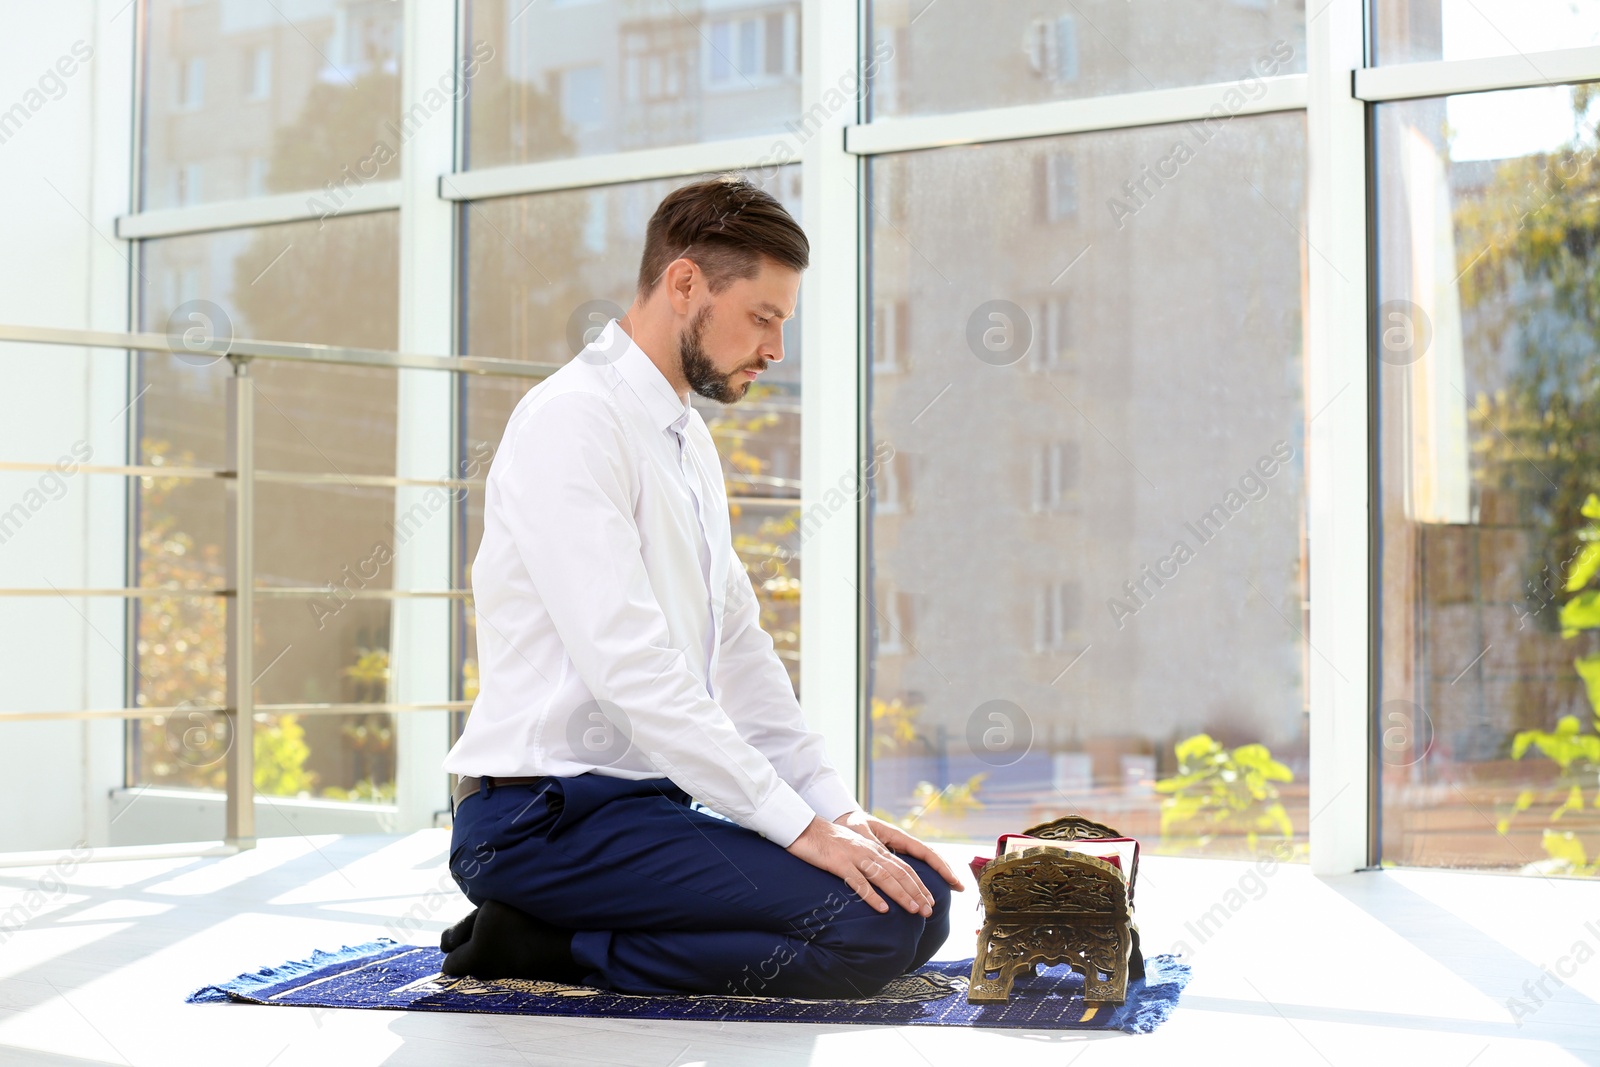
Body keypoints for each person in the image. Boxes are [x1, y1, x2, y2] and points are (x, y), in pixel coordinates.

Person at [438, 174, 961, 999]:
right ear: (685, 283)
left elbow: (742, 647)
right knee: (874, 923)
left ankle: (574, 934)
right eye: (763, 317)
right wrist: (798, 831)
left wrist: (834, 809)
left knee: (915, 901)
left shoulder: (683, 438)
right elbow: (632, 670)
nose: (775, 348)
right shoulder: (572, 421)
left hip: (644, 809)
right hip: (540, 821)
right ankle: (548, 946)